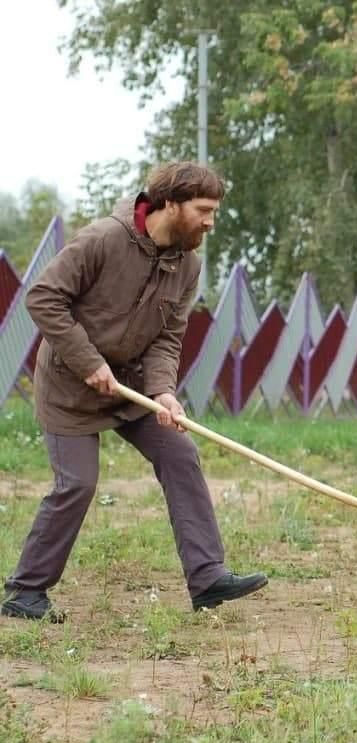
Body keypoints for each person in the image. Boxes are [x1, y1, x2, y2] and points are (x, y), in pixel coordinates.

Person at [2, 162, 268, 623]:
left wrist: (163, 391)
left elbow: (168, 338)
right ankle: (25, 593)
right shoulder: (102, 239)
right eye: (204, 210)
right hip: (70, 387)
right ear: (169, 203)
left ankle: (207, 578)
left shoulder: (188, 265)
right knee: (78, 484)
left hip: (133, 389)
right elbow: (42, 297)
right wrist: (89, 362)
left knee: (180, 455)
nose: (211, 221)